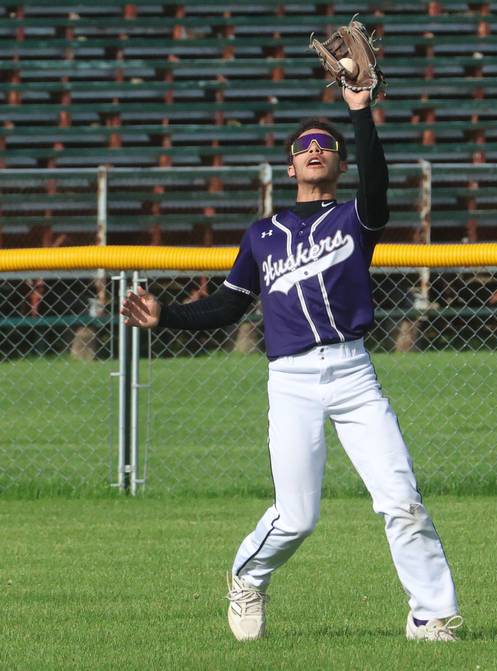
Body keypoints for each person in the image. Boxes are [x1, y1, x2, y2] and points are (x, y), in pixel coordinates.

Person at [120, 87, 462, 642]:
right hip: (292, 381)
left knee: (402, 501)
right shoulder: (262, 236)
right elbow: (229, 304)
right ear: (290, 164)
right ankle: (248, 576)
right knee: (298, 516)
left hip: (354, 374)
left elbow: (378, 181)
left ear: (339, 161)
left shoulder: (357, 218)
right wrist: (168, 317)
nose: (315, 150)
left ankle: (430, 616)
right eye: (305, 145)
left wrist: (359, 110)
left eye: (326, 145)